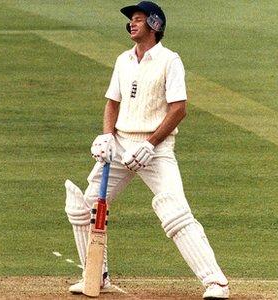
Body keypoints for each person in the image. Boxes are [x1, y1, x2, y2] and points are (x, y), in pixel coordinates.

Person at [64, 1, 229, 298]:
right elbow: (112, 102)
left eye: (138, 19)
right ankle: (95, 276)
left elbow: (179, 109)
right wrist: (106, 137)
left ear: (155, 25)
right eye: (131, 21)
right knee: (85, 207)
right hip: (121, 143)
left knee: (175, 211)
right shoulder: (123, 60)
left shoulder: (170, 60)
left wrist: (151, 145)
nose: (132, 24)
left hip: (157, 149)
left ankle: (215, 282)